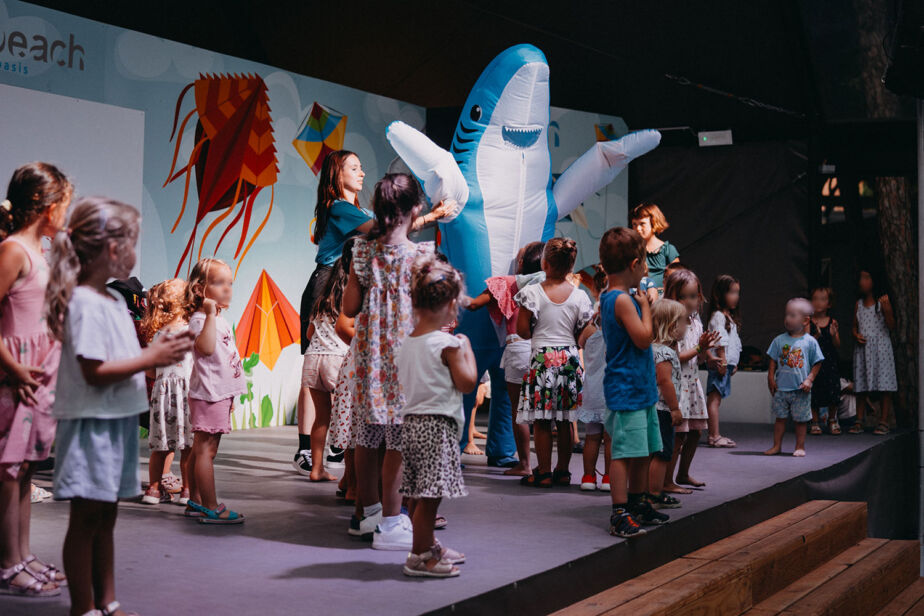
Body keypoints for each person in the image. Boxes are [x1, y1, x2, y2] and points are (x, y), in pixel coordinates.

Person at [47, 198, 193, 615]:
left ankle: (107, 602)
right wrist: (152, 357)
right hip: (91, 428)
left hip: (114, 425)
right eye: (131, 242)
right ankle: (83, 607)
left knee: (105, 519)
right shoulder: (84, 304)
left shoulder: (111, 302)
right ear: (112, 249)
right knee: (85, 521)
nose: (134, 251)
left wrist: (154, 354)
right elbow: (94, 370)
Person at [342, 174, 441, 550]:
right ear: (417, 209)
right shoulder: (421, 257)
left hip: (369, 360)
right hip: (404, 360)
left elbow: (350, 307)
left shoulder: (362, 252)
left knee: (367, 437)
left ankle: (368, 515)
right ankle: (390, 522)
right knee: (399, 442)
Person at [0, 162, 71, 597]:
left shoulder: (39, 253)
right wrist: (12, 367)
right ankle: (7, 563)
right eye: (64, 205)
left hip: (36, 376)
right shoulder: (12, 252)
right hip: (15, 376)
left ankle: (22, 554)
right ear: (46, 206)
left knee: (24, 468)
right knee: (9, 472)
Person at [397, 256, 477, 577]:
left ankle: (428, 546)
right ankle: (420, 557)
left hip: (412, 425)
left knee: (420, 492)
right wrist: (467, 349)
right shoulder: (448, 344)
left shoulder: (408, 342)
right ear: (452, 304)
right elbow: (467, 383)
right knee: (431, 498)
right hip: (437, 428)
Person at [296, 151, 370, 475]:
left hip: (350, 284)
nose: (362, 173)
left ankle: (337, 445)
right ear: (337, 174)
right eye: (354, 167)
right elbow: (381, 230)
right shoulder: (338, 207)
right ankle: (305, 448)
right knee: (315, 364)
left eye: (361, 167)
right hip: (327, 284)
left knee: (342, 363)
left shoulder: (359, 210)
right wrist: (424, 217)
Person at [598, 227, 668, 537]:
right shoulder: (622, 300)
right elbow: (643, 338)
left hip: (639, 388)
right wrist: (646, 308)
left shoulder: (614, 296)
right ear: (635, 264)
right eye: (645, 264)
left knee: (642, 449)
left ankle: (638, 502)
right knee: (624, 452)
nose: (646, 270)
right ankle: (619, 511)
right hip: (626, 389)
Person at [514, 238, 594, 488]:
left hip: (542, 359)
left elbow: (522, 331)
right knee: (565, 418)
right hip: (569, 359)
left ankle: (544, 471)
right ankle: (563, 471)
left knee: (542, 420)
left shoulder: (531, 293)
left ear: (544, 264)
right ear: (571, 266)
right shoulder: (580, 296)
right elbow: (583, 332)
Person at [465, 240, 545, 475]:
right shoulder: (548, 285)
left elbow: (473, 305)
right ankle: (548, 467)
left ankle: (524, 464)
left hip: (517, 347)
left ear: (521, 262)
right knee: (542, 414)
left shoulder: (510, 283)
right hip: (543, 352)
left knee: (517, 411)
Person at [184, 258, 247, 524]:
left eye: (229, 283)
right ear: (200, 289)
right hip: (209, 395)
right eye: (219, 283)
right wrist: (210, 314)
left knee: (202, 449)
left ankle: (196, 500)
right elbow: (207, 348)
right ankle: (210, 506)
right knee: (205, 451)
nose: (227, 289)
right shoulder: (201, 320)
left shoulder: (218, 319)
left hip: (218, 394)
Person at [662, 270, 718, 493]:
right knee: (679, 434)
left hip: (692, 383)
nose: (689, 301)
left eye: (693, 296)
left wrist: (707, 354)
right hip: (677, 386)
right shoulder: (672, 321)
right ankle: (667, 480)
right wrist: (699, 348)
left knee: (695, 431)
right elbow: (675, 357)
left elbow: (698, 357)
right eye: (682, 296)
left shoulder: (695, 321)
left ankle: (683, 473)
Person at [139, 279, 193, 506]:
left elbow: (150, 371)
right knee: (189, 448)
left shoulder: (158, 336)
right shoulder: (192, 331)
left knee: (160, 447)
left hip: (161, 397)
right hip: (187, 396)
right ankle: (188, 492)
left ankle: (153, 489)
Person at [303, 249, 353, 482]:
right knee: (347, 418)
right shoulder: (349, 303)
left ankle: (316, 469)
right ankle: (350, 476)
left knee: (321, 417)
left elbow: (309, 333)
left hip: (313, 359)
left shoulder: (321, 302)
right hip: (337, 359)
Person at [765, 298, 824, 456]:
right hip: (781, 389)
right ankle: (777, 446)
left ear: (805, 320)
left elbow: (818, 362)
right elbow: (773, 359)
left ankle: (800, 447)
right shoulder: (779, 340)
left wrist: (809, 379)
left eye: (792, 315)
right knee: (780, 418)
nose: (787, 319)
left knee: (800, 421)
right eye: (787, 315)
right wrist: (770, 377)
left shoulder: (810, 342)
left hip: (800, 390)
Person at [649, 299, 687, 509]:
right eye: (683, 321)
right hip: (662, 409)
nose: (686, 326)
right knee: (662, 453)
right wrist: (674, 408)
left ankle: (647, 492)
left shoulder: (651, 349)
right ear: (672, 326)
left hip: (651, 408)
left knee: (651, 452)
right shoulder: (664, 352)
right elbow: (665, 381)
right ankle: (655, 493)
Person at [849, 268, 897, 435]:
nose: (862, 281)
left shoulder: (883, 302)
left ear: (875, 280)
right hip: (863, 349)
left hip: (880, 348)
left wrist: (887, 309)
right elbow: (854, 326)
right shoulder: (859, 304)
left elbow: (891, 326)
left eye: (866, 278)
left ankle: (883, 420)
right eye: (861, 278)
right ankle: (859, 419)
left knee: (884, 384)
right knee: (861, 385)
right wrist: (856, 335)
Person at [577, 265, 611, 492]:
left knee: (591, 437)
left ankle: (588, 477)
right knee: (610, 439)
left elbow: (580, 342)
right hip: (610, 390)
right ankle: (608, 478)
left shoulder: (590, 328)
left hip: (591, 389)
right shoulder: (615, 327)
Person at [705, 274, 742, 448]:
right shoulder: (718, 316)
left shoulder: (728, 316)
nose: (736, 297)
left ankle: (714, 434)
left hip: (726, 364)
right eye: (731, 292)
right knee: (714, 399)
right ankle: (714, 435)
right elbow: (720, 340)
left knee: (716, 399)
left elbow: (734, 342)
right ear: (720, 294)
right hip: (720, 364)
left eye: (737, 292)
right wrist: (724, 362)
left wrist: (734, 362)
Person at [808, 287, 842, 435]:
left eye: (822, 299)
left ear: (829, 304)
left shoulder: (832, 322)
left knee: (833, 389)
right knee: (814, 390)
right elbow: (805, 343)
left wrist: (834, 335)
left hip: (829, 361)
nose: (818, 302)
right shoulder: (808, 322)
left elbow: (838, 345)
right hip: (814, 363)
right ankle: (815, 421)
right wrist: (815, 337)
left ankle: (832, 419)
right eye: (815, 299)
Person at [630, 203, 679, 289]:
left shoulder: (668, 250)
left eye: (642, 224)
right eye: (634, 224)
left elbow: (679, 280)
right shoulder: (630, 250)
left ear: (653, 223)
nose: (638, 228)